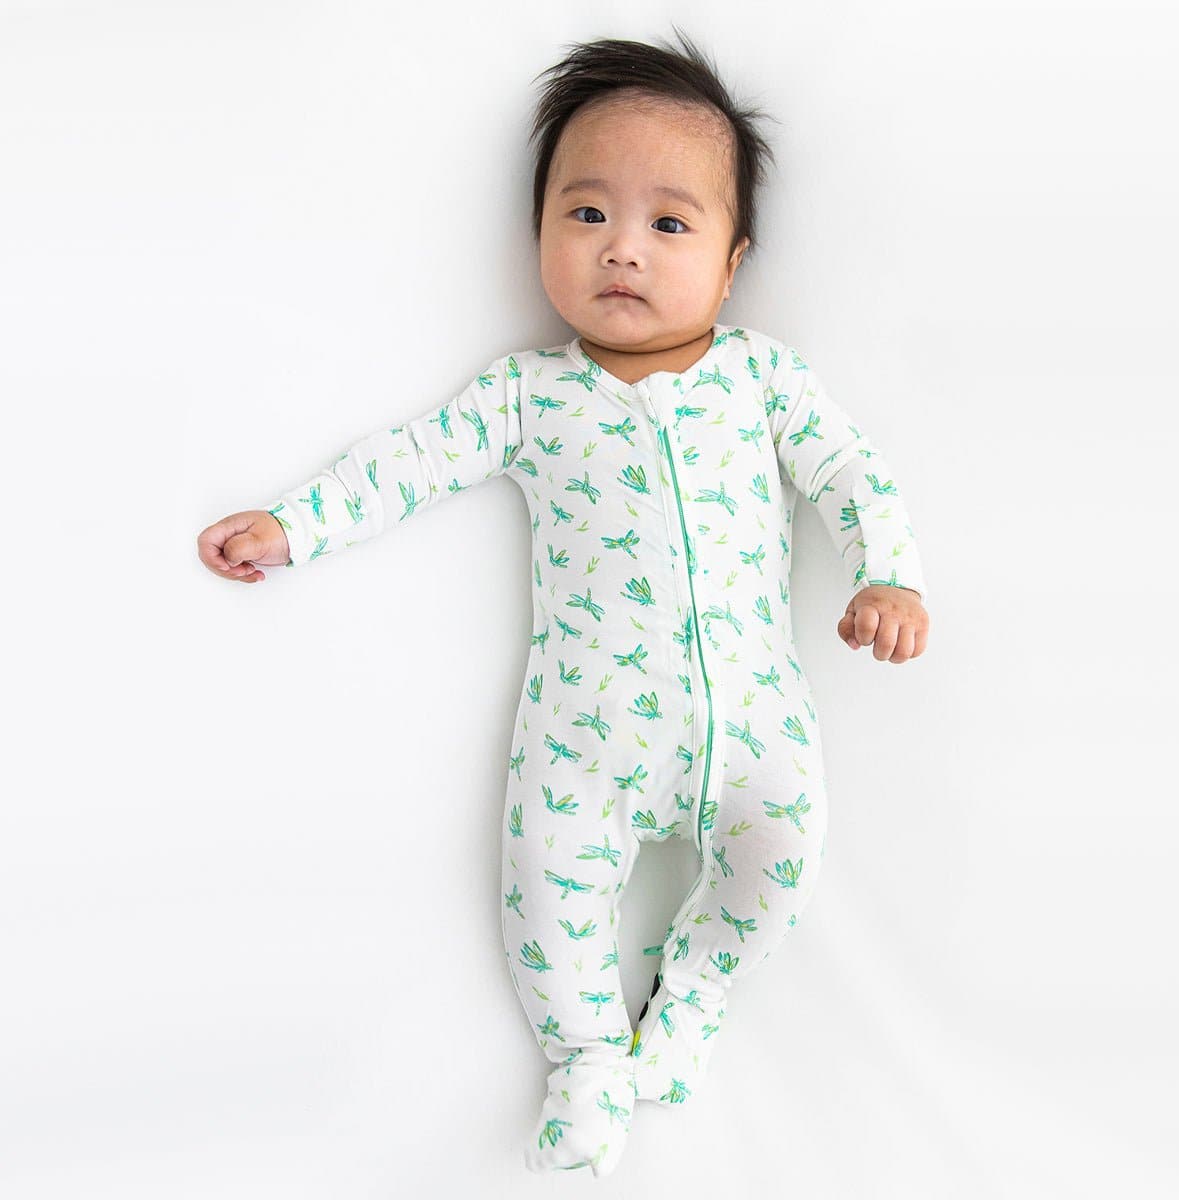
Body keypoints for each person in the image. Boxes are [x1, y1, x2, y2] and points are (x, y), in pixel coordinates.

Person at [196, 27, 931, 1179]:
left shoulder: (763, 379)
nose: (621, 248)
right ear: (538, 230)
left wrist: (888, 572)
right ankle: (587, 1058)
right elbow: (408, 462)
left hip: (755, 727)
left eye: (669, 225)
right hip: (586, 735)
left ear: (732, 263)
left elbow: (848, 470)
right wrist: (297, 523)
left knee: (784, 854)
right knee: (545, 888)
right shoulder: (529, 395)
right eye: (586, 213)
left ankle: (689, 1003)